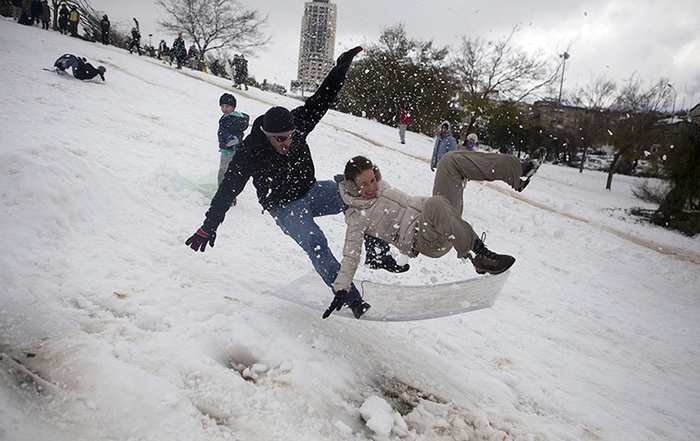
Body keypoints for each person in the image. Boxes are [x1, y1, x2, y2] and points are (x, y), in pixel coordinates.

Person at [185, 47, 408, 321]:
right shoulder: (250, 151)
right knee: (315, 240)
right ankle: (350, 297)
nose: (287, 143)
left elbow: (323, 98)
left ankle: (376, 253)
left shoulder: (299, 123)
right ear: (267, 135)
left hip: (312, 191)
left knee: (362, 194)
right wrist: (209, 225)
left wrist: (340, 67)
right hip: (284, 206)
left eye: (291, 137)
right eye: (280, 140)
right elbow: (228, 188)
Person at [330, 149, 548, 316]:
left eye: (373, 180)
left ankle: (518, 172)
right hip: (425, 240)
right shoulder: (356, 217)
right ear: (351, 185)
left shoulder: (381, 187)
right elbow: (351, 255)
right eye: (364, 184)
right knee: (435, 203)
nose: (371, 187)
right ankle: (479, 254)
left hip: (440, 217)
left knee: (449, 161)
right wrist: (342, 289)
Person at [216, 93, 249, 196]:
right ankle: (227, 194)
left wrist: (233, 141)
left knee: (224, 173)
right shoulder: (232, 118)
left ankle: (224, 195)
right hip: (228, 149)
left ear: (233, 107)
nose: (224, 109)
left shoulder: (232, 119)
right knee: (228, 172)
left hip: (229, 150)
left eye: (227, 106)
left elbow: (237, 133)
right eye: (222, 106)